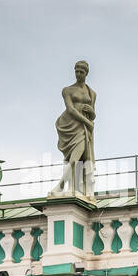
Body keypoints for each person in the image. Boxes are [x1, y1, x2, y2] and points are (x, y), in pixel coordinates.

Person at [52, 60, 96, 195]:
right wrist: (88, 122)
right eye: (76, 71)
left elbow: (93, 115)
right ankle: (63, 186)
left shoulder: (92, 93)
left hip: (84, 128)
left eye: (81, 72)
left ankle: (65, 187)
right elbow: (70, 110)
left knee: (79, 157)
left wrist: (92, 113)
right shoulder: (67, 90)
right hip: (70, 124)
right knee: (74, 158)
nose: (78, 74)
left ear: (86, 73)